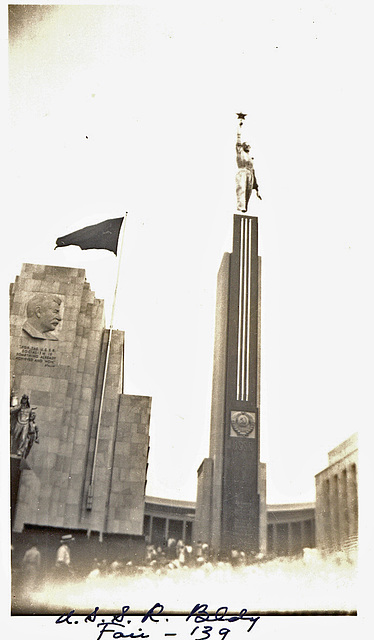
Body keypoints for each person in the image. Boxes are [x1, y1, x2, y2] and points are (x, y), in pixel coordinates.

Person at [235, 121, 262, 212]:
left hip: (249, 174)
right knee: (241, 190)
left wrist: (256, 187)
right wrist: (239, 127)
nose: (248, 147)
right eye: (246, 145)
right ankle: (241, 207)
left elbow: (253, 171)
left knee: (247, 192)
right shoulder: (240, 152)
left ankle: (245, 208)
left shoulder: (250, 159)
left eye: (249, 146)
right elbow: (238, 140)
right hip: (242, 172)